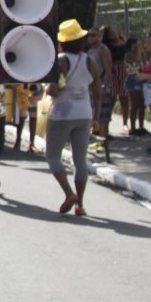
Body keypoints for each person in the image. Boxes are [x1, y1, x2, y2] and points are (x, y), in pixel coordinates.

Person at [45, 20, 101, 216]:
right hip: (84, 112)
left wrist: (50, 88)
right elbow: (97, 91)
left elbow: (54, 90)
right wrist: (96, 116)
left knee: (52, 156)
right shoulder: (90, 61)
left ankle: (69, 193)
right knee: (80, 160)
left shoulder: (60, 61)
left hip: (62, 113)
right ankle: (81, 205)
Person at [102, 25, 128, 134]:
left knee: (124, 97)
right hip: (113, 71)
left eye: (114, 32)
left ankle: (125, 123)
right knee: (112, 97)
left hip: (123, 71)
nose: (114, 35)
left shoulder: (124, 43)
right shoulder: (107, 46)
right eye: (110, 34)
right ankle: (107, 124)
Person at [123, 37, 147, 136]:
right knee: (135, 104)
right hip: (132, 79)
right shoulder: (128, 55)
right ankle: (132, 128)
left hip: (141, 78)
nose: (138, 46)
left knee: (142, 105)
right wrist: (139, 49)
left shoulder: (140, 53)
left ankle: (141, 126)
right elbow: (136, 59)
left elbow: (144, 63)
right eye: (136, 45)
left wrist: (143, 52)